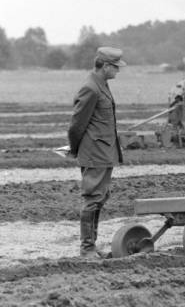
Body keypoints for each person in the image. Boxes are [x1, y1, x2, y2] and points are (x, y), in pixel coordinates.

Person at [68, 47, 126, 258]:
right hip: (94, 153)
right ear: (106, 66)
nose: (118, 71)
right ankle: (87, 248)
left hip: (103, 153)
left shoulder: (102, 85)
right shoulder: (91, 88)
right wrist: (76, 149)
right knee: (92, 198)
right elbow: (76, 125)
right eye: (116, 68)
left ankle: (91, 245)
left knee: (100, 197)